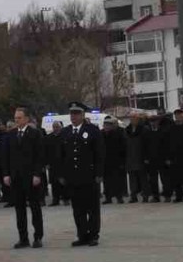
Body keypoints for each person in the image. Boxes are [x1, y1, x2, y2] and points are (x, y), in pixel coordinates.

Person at [60, 102, 104, 246]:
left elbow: (100, 154)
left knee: (92, 208)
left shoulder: (92, 130)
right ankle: (82, 234)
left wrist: (99, 173)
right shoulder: (65, 132)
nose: (73, 116)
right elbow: (61, 155)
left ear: (83, 115)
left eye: (77, 113)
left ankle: (93, 235)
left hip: (89, 176)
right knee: (77, 209)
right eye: (72, 113)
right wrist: (62, 175)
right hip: (73, 177)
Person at [1, 108, 45, 249]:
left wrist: (37, 174)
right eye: (15, 118)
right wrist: (6, 174)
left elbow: (39, 155)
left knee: (35, 208)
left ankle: (38, 236)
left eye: (19, 118)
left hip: (31, 177)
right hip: (16, 177)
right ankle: (23, 238)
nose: (17, 120)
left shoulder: (35, 134)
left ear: (26, 119)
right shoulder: (11, 135)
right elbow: (6, 156)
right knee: (19, 209)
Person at [142, 113, 167, 202]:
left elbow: (167, 146)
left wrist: (167, 158)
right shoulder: (147, 133)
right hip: (151, 160)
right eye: (151, 121)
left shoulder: (163, 132)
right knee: (153, 179)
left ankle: (167, 195)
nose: (153, 123)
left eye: (155, 121)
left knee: (165, 178)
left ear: (158, 122)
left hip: (162, 159)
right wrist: (145, 158)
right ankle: (155, 196)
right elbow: (144, 146)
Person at [100, 117, 127, 204]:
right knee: (106, 181)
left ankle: (119, 197)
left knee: (116, 180)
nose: (106, 127)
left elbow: (123, 148)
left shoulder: (117, 134)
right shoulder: (101, 134)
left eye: (108, 125)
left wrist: (122, 161)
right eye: (105, 125)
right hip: (105, 161)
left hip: (116, 161)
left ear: (111, 126)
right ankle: (108, 198)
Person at [44, 122, 67, 206]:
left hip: (63, 163)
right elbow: (45, 151)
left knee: (63, 182)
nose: (56, 128)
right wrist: (46, 163)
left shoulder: (65, 137)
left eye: (57, 127)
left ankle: (65, 198)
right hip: (52, 164)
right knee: (54, 183)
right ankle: (55, 200)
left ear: (61, 127)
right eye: (54, 127)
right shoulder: (48, 138)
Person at [123, 114, 146, 203]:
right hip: (130, 158)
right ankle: (133, 196)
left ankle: (145, 195)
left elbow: (146, 144)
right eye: (131, 118)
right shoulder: (127, 130)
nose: (133, 120)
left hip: (140, 157)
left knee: (143, 178)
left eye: (135, 118)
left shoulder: (143, 129)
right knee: (132, 179)